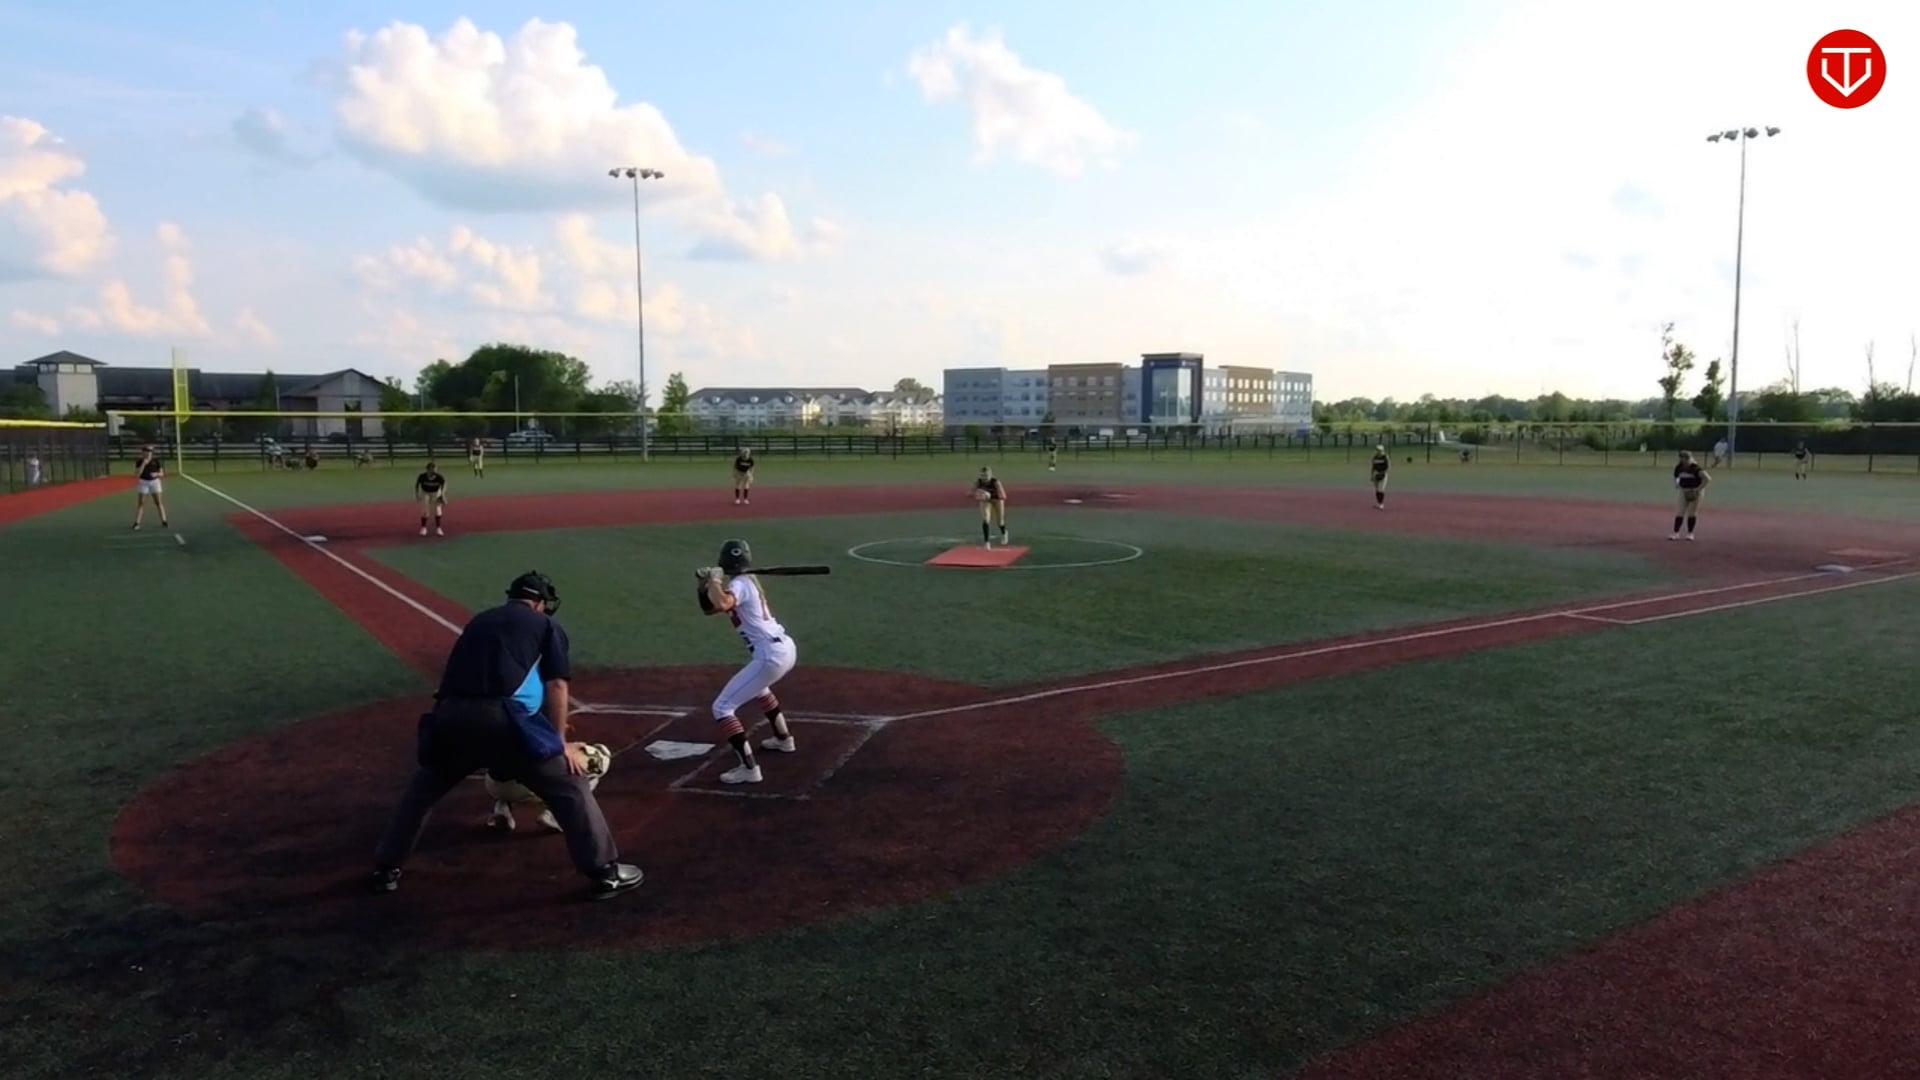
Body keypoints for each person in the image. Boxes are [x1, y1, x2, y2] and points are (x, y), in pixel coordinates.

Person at [370, 571, 642, 900]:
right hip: (501, 720)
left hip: (449, 717)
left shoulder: (479, 621)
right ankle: (605, 873)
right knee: (569, 787)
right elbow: (557, 684)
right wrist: (558, 743)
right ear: (539, 603)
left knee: (421, 792)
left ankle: (386, 868)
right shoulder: (545, 625)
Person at [697, 539, 798, 785]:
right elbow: (710, 609)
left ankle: (749, 769)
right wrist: (704, 586)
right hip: (783, 649)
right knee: (760, 688)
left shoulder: (740, 584)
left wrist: (715, 581)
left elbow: (722, 603)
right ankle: (784, 739)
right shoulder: (745, 582)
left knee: (722, 707)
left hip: (770, 655)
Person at [1671, 450, 1710, 541]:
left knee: (1692, 512)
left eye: (1685, 458)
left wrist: (1698, 489)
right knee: (1680, 511)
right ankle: (1676, 533)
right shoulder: (1679, 467)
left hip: (1695, 492)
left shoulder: (1695, 468)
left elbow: (1707, 479)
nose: (1683, 460)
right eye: (1681, 457)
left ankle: (1690, 533)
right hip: (1684, 490)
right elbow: (1676, 477)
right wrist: (1677, 484)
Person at [132, 446, 169, 530]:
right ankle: (137, 522)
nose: (148, 453)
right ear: (143, 452)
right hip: (143, 482)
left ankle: (164, 521)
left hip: (154, 482)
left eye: (150, 451)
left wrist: (156, 474)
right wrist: (144, 464)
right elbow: (137, 474)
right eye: (146, 451)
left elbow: (162, 473)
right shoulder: (140, 461)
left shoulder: (156, 461)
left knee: (158, 502)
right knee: (141, 503)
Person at [973, 466, 1008, 546]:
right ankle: (987, 542)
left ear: (990, 475)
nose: (984, 478)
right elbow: (970, 492)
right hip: (986, 501)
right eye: (982, 475)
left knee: (1000, 522)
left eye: (986, 475)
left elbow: (1003, 496)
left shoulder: (996, 482)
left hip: (997, 500)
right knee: (986, 518)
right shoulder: (978, 482)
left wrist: (990, 495)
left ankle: (1004, 533)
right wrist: (977, 494)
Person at [414, 460, 447, 536]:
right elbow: (417, 484)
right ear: (428, 469)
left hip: (436, 492)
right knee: (425, 510)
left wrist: (442, 494)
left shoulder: (439, 477)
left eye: (435, 469)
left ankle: (438, 528)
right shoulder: (422, 476)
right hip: (425, 492)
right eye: (433, 469)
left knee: (437, 510)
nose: (435, 471)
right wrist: (417, 494)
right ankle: (423, 528)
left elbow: (444, 483)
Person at [1369, 445, 1390, 509]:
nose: (1379, 451)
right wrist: (1371, 475)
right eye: (1378, 450)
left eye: (1380, 450)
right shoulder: (1375, 457)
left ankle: (1381, 504)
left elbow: (1388, 467)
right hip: (1376, 474)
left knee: (1381, 489)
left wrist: (1383, 473)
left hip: (1383, 474)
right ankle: (1379, 503)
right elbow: (1373, 467)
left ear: (1382, 450)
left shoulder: (1385, 457)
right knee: (1377, 489)